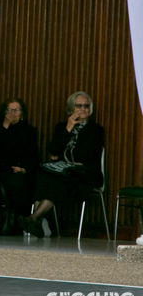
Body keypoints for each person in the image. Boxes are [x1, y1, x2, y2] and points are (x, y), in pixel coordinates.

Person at [21, 92, 104, 239]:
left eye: (86, 106)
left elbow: (85, 154)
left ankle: (34, 218)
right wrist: (69, 128)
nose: (83, 109)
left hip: (85, 174)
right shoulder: (62, 127)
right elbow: (52, 150)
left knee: (54, 180)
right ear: (71, 108)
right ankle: (38, 221)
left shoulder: (96, 130)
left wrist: (61, 155)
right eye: (79, 106)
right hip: (63, 171)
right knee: (43, 174)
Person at [0, 98, 38, 235]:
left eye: (16, 110)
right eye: (9, 110)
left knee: (20, 183)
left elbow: (32, 156)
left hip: (16, 169)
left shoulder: (29, 131)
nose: (13, 113)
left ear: (22, 113)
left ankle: (15, 223)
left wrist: (23, 169)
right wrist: (5, 125)